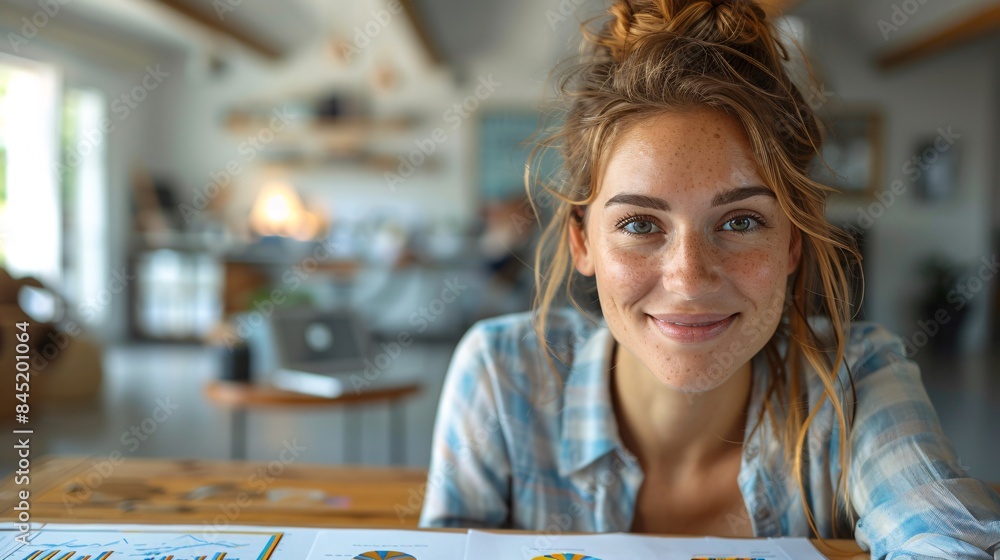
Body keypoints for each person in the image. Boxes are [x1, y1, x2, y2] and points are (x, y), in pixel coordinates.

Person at [418, 0, 1000, 557]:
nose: (691, 278)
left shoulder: (853, 382)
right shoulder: (502, 375)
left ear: (792, 241)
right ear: (581, 241)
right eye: (641, 223)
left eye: (741, 221)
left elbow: (947, 540)